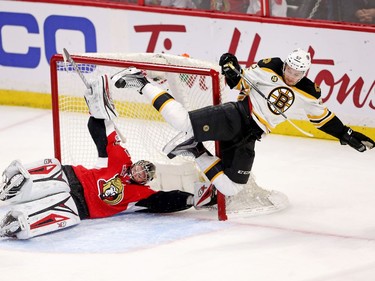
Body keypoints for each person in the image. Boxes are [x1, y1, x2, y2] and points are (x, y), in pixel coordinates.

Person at [108, 48, 374, 199]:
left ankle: (195, 150)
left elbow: (324, 119)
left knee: (233, 187)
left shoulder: (309, 93)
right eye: (290, 70)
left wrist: (348, 135)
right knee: (181, 121)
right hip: (237, 115)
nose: (291, 75)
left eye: (297, 72)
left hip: (251, 135)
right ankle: (141, 83)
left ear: (305, 72)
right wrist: (229, 64)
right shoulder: (270, 67)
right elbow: (237, 81)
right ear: (286, 66)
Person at [0, 74, 203, 240]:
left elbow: (164, 201)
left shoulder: (138, 195)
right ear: (137, 163)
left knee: (66, 210)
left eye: (143, 175)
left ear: (145, 181)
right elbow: (100, 134)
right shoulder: (121, 159)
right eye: (141, 167)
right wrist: (96, 109)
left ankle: (18, 222)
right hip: (73, 177)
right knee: (54, 169)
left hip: (80, 205)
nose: (140, 172)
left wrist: (192, 198)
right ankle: (11, 186)